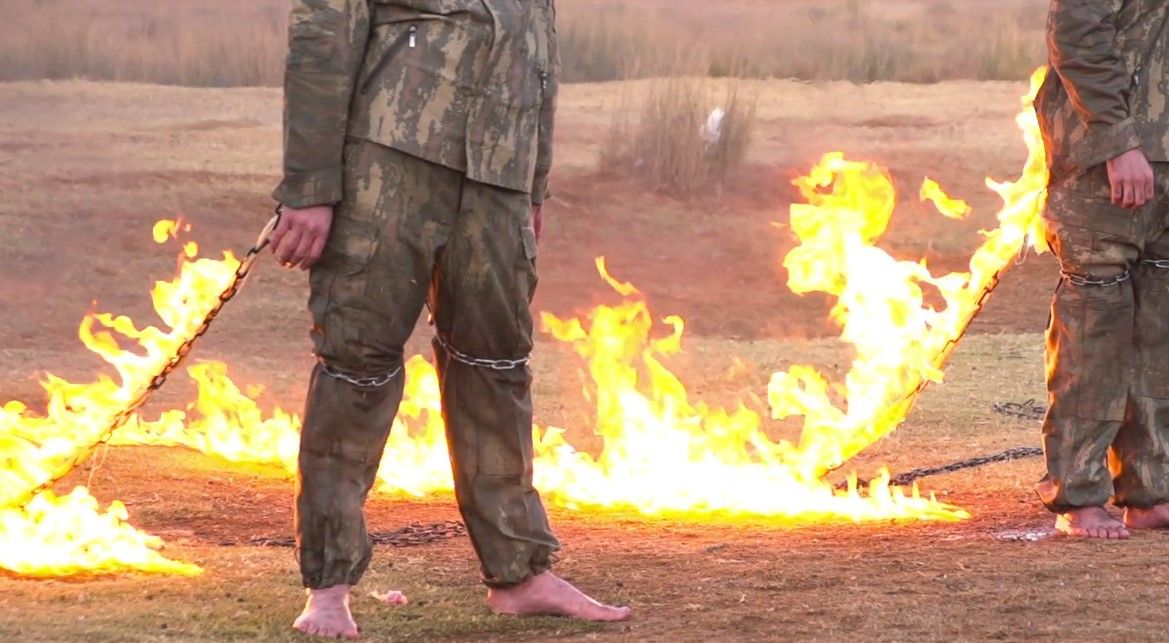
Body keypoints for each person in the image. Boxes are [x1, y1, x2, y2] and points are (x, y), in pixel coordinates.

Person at [268, 0, 631, 637]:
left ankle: (519, 573)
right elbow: (323, 38)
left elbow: (536, 55)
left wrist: (531, 184)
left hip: (497, 181)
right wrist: (310, 186)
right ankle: (327, 588)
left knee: (496, 368)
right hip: (386, 167)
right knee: (357, 368)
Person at [1035, 0, 1169, 539]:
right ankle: (1080, 495)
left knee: (1157, 335)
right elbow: (1076, 32)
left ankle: (1151, 490)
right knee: (1097, 326)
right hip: (1108, 162)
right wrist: (1117, 142)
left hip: (1163, 164)